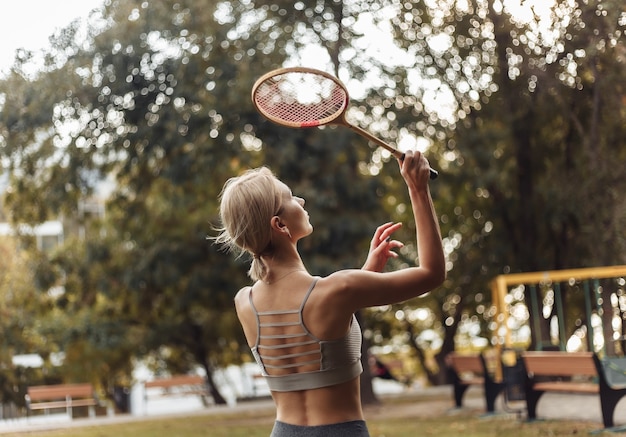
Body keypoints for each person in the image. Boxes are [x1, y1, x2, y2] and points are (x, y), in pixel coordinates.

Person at [215, 151, 445, 437]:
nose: (301, 201)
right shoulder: (338, 290)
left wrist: (365, 273)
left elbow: (315, 341)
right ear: (280, 225)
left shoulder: (244, 302)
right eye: (290, 198)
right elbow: (432, 274)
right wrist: (418, 189)